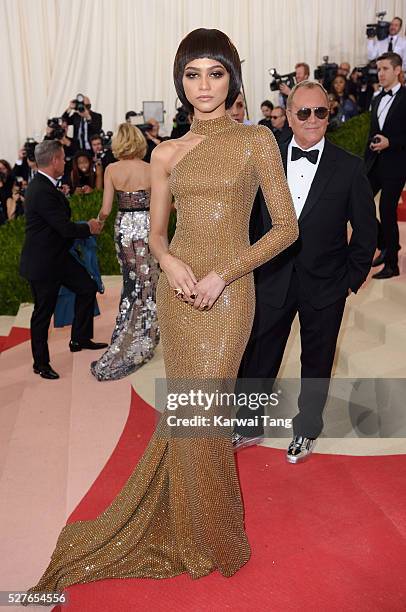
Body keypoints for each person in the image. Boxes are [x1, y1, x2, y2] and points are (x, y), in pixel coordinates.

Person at [26, 28, 297, 593]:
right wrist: (171, 265)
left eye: (215, 73)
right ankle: (199, 529)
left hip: (230, 290)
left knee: (210, 411)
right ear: (180, 81)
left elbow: (286, 228)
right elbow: (154, 234)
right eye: (193, 74)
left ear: (232, 78)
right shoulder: (165, 152)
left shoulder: (257, 142)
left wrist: (225, 273)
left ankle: (214, 530)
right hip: (180, 292)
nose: (204, 86)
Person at [233, 80, 377, 462]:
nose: (313, 119)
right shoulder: (267, 160)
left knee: (316, 361)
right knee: (260, 355)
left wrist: (350, 280)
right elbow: (250, 223)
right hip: (272, 280)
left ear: (329, 115)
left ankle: (307, 429)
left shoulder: (349, 167)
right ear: (289, 115)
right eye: (303, 112)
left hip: (326, 285)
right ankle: (248, 422)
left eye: (321, 112)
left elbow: (366, 231)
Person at [19, 140, 108, 380]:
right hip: (43, 264)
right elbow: (64, 228)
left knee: (87, 288)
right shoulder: (40, 189)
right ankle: (41, 363)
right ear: (55, 160)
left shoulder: (44, 186)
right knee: (42, 313)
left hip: (58, 258)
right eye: (63, 158)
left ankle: (79, 338)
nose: (65, 162)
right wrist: (89, 227)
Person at [90, 123, 160, 381]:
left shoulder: (111, 170)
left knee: (131, 284)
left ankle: (127, 338)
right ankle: (145, 338)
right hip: (148, 227)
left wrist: (96, 222)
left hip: (124, 229)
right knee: (149, 282)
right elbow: (160, 205)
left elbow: (106, 209)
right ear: (140, 142)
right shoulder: (151, 169)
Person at [365, 52, 406, 279]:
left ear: (397, 70)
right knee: (361, 205)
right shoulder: (377, 99)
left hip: (396, 165)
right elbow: (372, 133)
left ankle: (392, 263)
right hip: (374, 164)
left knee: (387, 211)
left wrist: (392, 142)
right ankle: (386, 244)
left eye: (385, 69)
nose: (380, 73)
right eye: (378, 69)